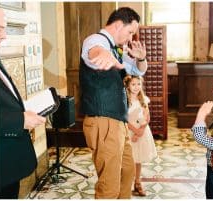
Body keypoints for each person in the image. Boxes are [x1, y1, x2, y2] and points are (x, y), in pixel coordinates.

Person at [79, 7, 147, 199]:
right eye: (130, 32)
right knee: (109, 185)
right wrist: (102, 55)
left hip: (118, 121)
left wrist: (141, 58)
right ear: (118, 25)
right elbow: (94, 51)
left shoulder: (118, 49)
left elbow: (138, 70)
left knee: (127, 172)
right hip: (103, 120)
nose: (130, 37)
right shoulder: (96, 41)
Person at [0, 8, 46, 199]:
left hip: (6, 166)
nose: (4, 36)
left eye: (4, 29)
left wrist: (23, 107)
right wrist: (20, 120)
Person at [123, 75, 157, 197]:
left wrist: (141, 130)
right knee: (129, 159)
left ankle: (137, 183)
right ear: (127, 86)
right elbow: (125, 119)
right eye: (133, 84)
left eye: (139, 84)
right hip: (129, 132)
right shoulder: (125, 100)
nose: (136, 87)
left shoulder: (143, 99)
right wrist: (135, 131)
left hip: (142, 132)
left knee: (138, 159)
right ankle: (126, 184)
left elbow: (147, 116)